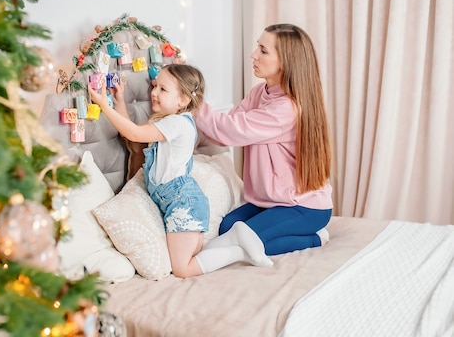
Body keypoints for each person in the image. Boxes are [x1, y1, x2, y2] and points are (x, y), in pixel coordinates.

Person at [193, 23, 333, 274]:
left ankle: (316, 237)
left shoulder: (287, 109)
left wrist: (192, 100)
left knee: (239, 239)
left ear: (285, 62)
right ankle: (256, 243)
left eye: (263, 50)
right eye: (257, 47)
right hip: (270, 202)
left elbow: (229, 130)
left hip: (303, 208)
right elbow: (227, 132)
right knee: (228, 228)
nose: (253, 55)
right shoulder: (260, 92)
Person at [88, 63, 209, 278]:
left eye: (163, 89)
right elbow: (133, 133)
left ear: (183, 100)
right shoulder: (170, 121)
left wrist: (103, 105)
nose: (154, 92)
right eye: (155, 86)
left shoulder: (177, 124)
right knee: (188, 261)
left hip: (183, 204)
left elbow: (134, 133)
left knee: (182, 270)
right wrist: (118, 101)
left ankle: (236, 250)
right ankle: (236, 243)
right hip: (175, 203)